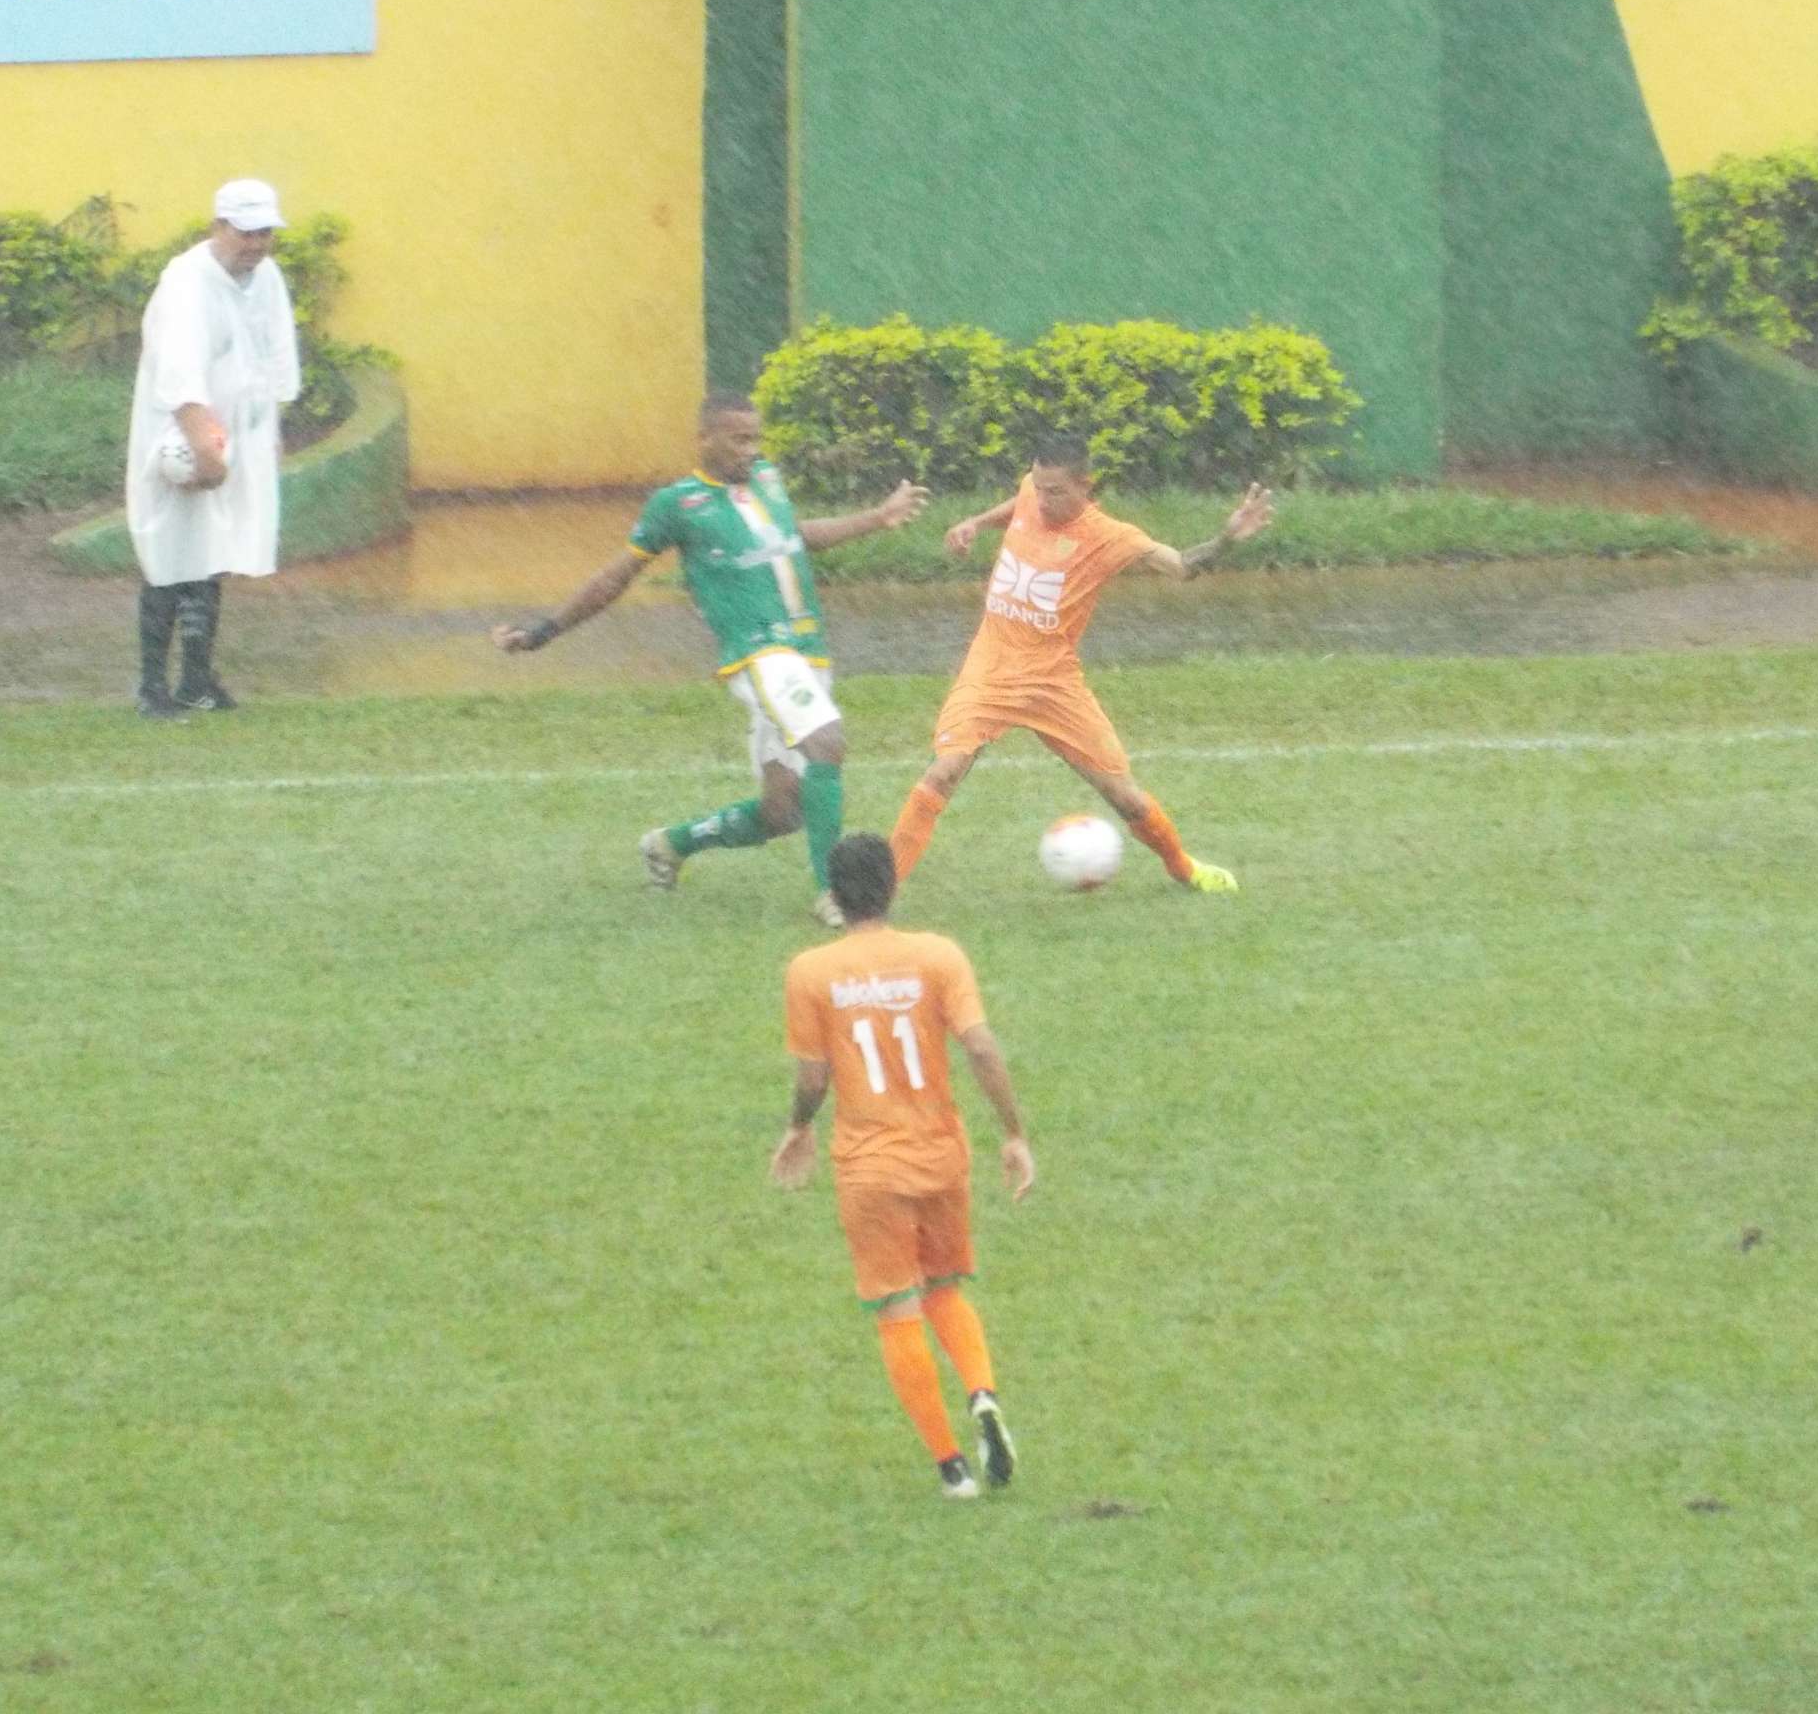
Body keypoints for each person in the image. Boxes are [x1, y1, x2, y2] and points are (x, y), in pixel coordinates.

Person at [494, 394, 926, 926]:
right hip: (759, 654)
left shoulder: (766, 479)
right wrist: (546, 629)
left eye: (756, 438)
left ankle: (670, 844)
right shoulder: (678, 504)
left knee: (783, 811)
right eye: (739, 439)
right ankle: (835, 896)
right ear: (705, 439)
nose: (752, 449)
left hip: (807, 650)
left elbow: (794, 537)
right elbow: (616, 577)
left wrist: (877, 518)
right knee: (826, 741)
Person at [888, 430, 1273, 892]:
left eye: (1057, 492)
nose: (1044, 500)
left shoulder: (1109, 537)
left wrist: (1226, 539)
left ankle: (1183, 868)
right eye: (1039, 486)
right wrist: (975, 522)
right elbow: (1018, 505)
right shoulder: (1033, 493)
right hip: (989, 672)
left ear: (1085, 486)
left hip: (1054, 685)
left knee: (1125, 797)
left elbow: (1182, 567)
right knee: (944, 770)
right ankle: (875, 895)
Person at [773, 834, 1034, 1498]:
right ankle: (981, 1394)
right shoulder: (937, 956)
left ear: (835, 896)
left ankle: (952, 1467)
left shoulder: (810, 971)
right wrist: (1012, 1134)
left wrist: (800, 1127)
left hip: (869, 1166)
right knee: (945, 1288)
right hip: (942, 1156)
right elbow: (979, 1047)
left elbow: (813, 1075)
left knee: (897, 1308)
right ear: (893, 886)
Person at [126, 178, 299, 719]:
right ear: (218, 227)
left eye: (264, 232)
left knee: (213, 553)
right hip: (182, 436)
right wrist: (205, 451)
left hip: (240, 436)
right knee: (171, 558)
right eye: (245, 232)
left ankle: (197, 681)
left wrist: (268, 432)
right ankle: (152, 687)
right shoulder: (185, 283)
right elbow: (178, 374)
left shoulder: (265, 277)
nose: (256, 243)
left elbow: (274, 358)